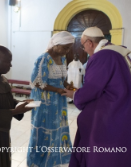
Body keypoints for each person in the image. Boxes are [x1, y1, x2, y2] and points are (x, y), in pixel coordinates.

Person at [62, 27, 131, 167]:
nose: (83, 49)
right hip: (130, 109)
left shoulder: (102, 56)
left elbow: (92, 89)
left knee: (106, 152)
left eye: (83, 45)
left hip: (116, 114)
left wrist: (75, 95)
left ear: (90, 42)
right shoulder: (119, 52)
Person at [27, 31, 75, 167]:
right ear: (56, 45)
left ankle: (54, 158)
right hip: (44, 101)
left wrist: (67, 86)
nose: (67, 51)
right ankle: (38, 159)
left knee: (57, 127)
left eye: (69, 48)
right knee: (44, 128)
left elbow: (61, 79)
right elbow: (36, 82)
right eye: (65, 47)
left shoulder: (63, 59)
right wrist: (56, 90)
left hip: (59, 101)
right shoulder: (44, 59)